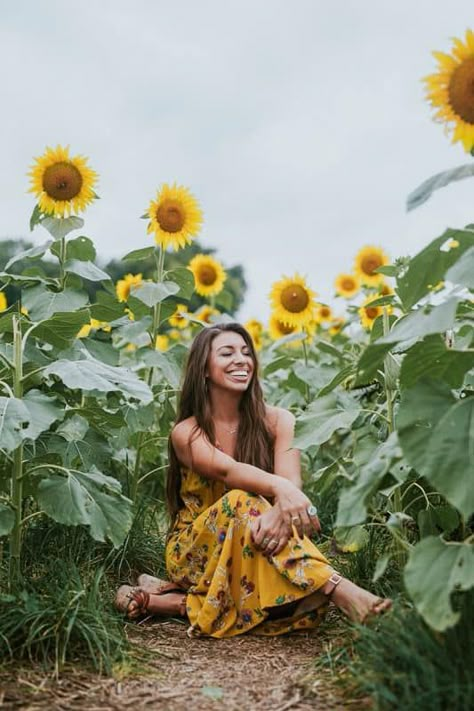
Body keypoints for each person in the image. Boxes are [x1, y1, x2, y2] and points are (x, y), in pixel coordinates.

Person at [115, 323, 391, 637]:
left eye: (247, 352)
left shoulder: (279, 420)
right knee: (240, 499)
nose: (241, 360)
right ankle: (338, 589)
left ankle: (163, 602)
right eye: (227, 352)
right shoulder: (187, 432)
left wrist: (282, 507)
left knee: (291, 589)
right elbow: (229, 472)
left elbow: (290, 485)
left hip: (262, 537)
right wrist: (281, 490)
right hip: (195, 552)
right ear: (203, 369)